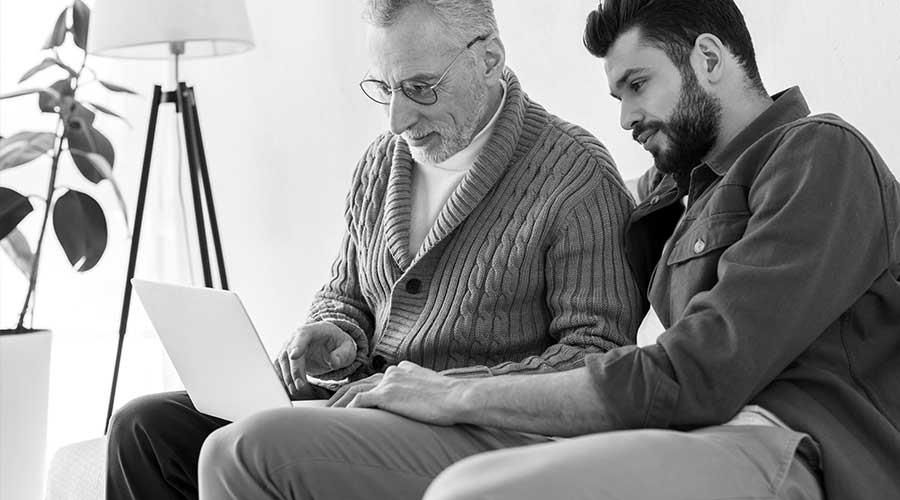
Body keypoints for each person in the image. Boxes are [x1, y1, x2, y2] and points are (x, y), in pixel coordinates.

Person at [196, 1, 900, 499]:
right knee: (165, 431)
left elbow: (693, 373)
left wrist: (456, 393)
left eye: (637, 84)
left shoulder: (817, 155)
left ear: (710, 59)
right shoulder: (677, 191)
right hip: (693, 431)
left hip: (797, 443)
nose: (623, 115)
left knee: (469, 491)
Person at [105, 1, 644, 498]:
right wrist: (334, 333)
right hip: (365, 408)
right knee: (144, 428)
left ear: (489, 60)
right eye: (384, 89)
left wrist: (441, 389)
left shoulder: (577, 177)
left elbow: (597, 357)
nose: (397, 120)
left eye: (420, 87)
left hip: (485, 432)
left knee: (247, 445)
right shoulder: (384, 162)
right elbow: (345, 294)